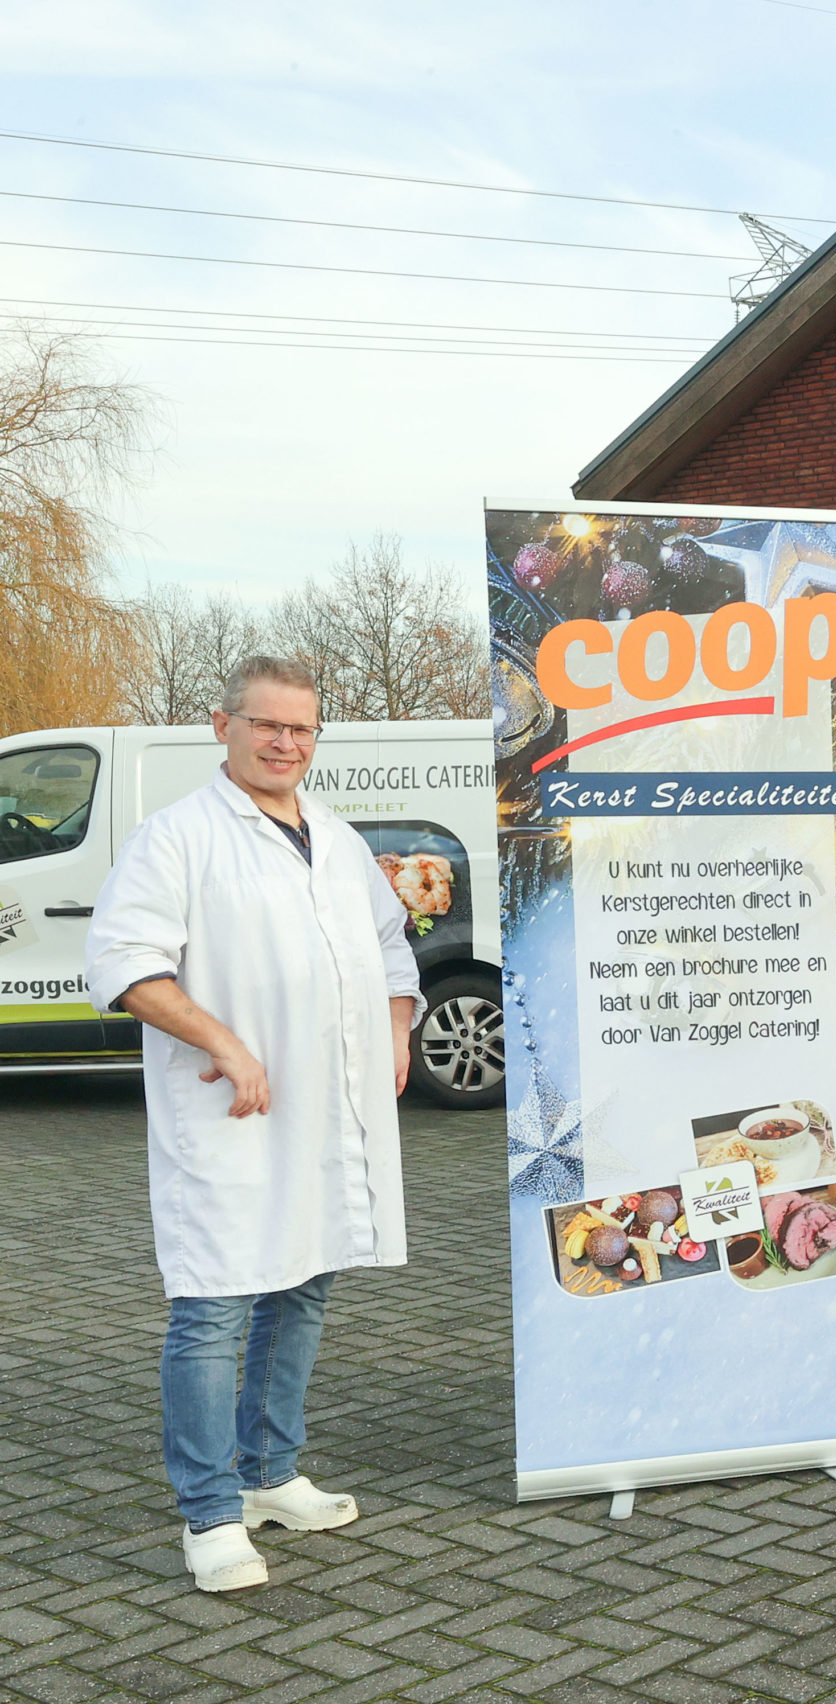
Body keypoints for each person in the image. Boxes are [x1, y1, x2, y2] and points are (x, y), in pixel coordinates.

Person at [85, 657, 421, 1593]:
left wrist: (396, 1029)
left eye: (303, 730)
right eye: (267, 726)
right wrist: (222, 1040)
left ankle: (271, 1473)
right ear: (222, 726)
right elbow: (121, 960)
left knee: (303, 1286)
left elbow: (396, 948)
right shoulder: (177, 839)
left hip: (323, 1113)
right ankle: (209, 1514)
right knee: (214, 1308)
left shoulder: (340, 841)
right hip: (230, 1116)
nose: (285, 744)